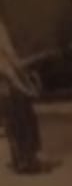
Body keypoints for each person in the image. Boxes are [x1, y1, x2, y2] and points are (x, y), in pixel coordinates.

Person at [0, 13, 47, 174]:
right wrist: (21, 75)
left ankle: (19, 160)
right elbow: (9, 52)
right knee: (23, 117)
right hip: (9, 77)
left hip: (4, 81)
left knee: (12, 121)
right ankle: (28, 160)